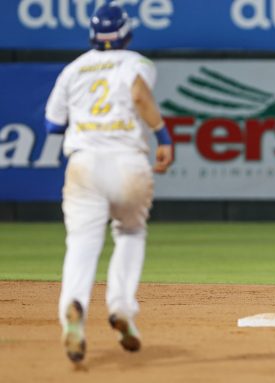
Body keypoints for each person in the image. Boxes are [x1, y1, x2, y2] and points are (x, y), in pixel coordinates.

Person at [44, 2, 173, 363]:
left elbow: (53, 124)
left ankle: (74, 306)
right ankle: (121, 308)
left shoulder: (72, 70)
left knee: (82, 241)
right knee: (130, 233)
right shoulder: (137, 63)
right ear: (126, 32)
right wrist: (162, 137)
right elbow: (137, 94)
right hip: (128, 162)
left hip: (84, 164)